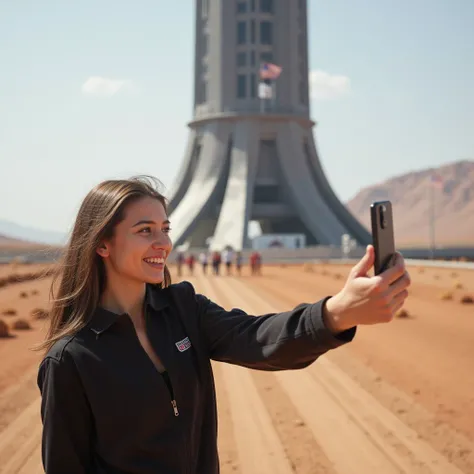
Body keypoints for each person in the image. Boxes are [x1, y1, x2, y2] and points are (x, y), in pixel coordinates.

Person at [35, 176, 411, 474]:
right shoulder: (71, 360)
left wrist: (337, 313)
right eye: (145, 230)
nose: (163, 243)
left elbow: (257, 338)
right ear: (102, 244)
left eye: (165, 228)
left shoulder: (183, 309)